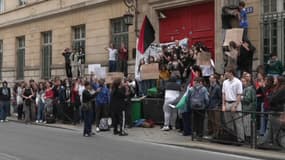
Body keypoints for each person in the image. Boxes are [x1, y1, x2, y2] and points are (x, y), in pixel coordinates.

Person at [222, 68, 245, 143]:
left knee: (238, 122)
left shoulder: (238, 82)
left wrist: (235, 106)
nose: (225, 74)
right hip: (227, 103)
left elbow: (239, 94)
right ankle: (231, 138)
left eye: (226, 72)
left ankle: (240, 139)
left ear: (231, 73)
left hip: (235, 102)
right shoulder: (225, 82)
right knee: (228, 122)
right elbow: (223, 94)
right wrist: (223, 105)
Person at [241, 73, 256, 140]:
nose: (242, 83)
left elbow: (248, 99)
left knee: (247, 124)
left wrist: (241, 98)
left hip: (247, 109)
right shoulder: (247, 88)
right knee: (246, 124)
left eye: (243, 81)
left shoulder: (249, 89)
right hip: (247, 109)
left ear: (247, 82)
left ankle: (248, 139)